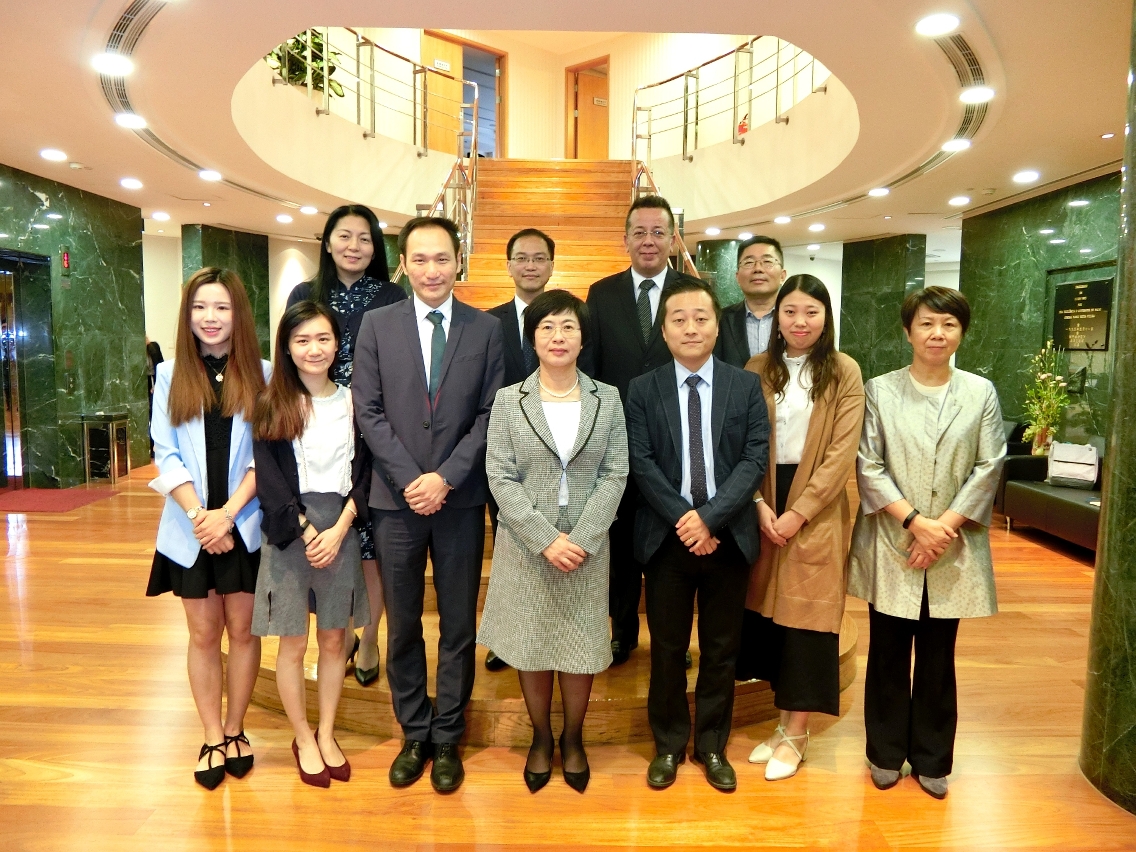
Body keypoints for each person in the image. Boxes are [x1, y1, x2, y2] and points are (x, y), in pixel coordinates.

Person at [352, 216, 505, 793]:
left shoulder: (485, 329)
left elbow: (492, 413)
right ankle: (413, 730)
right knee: (404, 624)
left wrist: (446, 477)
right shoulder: (376, 325)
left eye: (442, 258)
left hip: (460, 500)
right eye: (420, 259)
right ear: (404, 264)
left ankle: (448, 735)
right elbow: (368, 411)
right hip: (394, 501)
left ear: (457, 261)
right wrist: (414, 477)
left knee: (460, 624)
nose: (432, 270)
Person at [847, 286, 1006, 800]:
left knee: (940, 656)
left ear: (962, 331)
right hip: (893, 540)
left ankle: (934, 758)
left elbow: (990, 465)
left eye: (949, 325)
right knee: (887, 650)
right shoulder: (880, 390)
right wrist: (916, 522)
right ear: (908, 331)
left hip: (951, 545)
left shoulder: (979, 391)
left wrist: (942, 530)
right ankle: (885, 754)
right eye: (926, 324)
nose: (937, 334)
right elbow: (868, 464)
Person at [478, 290, 627, 794]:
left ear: (583, 337)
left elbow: (615, 473)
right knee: (533, 646)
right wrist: (546, 539)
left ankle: (573, 737)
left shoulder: (607, 398)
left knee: (580, 647)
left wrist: (581, 538)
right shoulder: (508, 399)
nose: (558, 336)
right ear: (532, 338)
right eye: (546, 328)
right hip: (526, 545)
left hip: (587, 545)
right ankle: (540, 736)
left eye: (568, 327)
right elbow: (499, 476)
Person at [626, 279, 769, 792]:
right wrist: (687, 520)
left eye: (701, 318)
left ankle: (711, 745)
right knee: (665, 648)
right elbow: (640, 464)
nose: (690, 327)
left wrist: (710, 517)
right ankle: (667, 744)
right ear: (664, 331)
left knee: (721, 649)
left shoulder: (745, 385)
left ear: (716, 325)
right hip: (666, 541)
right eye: (679, 319)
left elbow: (754, 458)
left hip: (728, 538)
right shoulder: (642, 389)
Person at [145, 267, 269, 790]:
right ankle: (212, 734)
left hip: (242, 523)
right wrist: (201, 518)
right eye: (200, 308)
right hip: (190, 527)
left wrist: (228, 516)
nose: (211, 318)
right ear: (187, 315)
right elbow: (165, 452)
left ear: (238, 313)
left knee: (242, 631)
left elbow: (269, 451)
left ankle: (238, 729)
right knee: (202, 633)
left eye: (221, 307)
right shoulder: (171, 374)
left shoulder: (263, 372)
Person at [737, 274, 865, 781]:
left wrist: (797, 512)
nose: (800, 322)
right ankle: (780, 724)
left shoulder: (844, 371)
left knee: (808, 621)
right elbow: (741, 442)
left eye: (811, 312)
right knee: (771, 618)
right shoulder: (756, 369)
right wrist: (758, 503)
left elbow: (840, 454)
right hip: (762, 501)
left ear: (826, 317)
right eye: (790, 312)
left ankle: (798, 732)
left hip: (816, 508)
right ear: (777, 318)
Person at [250, 301, 371, 787]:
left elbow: (365, 473)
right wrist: (304, 530)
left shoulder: (355, 401)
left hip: (340, 526)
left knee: (335, 638)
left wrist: (341, 527)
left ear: (337, 343)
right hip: (289, 529)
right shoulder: (271, 402)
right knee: (293, 640)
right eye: (302, 340)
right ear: (287, 347)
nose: (313, 349)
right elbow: (270, 478)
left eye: (323, 338)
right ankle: (301, 736)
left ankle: (326, 732)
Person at [287, 204, 405, 686]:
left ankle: (371, 633)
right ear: (328, 241)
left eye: (364, 238)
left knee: (372, 542)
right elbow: (289, 352)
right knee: (322, 536)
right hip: (315, 424)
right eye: (345, 236)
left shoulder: (392, 295)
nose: (354, 246)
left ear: (376, 247)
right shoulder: (306, 293)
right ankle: (334, 635)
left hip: (376, 427)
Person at [586, 194, 701, 666]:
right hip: (616, 439)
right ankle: (622, 630)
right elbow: (592, 368)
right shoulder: (602, 292)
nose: (649, 241)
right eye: (640, 232)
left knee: (673, 545)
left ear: (673, 239)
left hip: (677, 440)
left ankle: (670, 638)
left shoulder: (692, 292)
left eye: (659, 232)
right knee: (620, 545)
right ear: (626, 239)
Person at [483, 227, 558, 674]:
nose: (530, 265)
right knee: (511, 548)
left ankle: (550, 630)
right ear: (508, 264)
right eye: (522, 258)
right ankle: (508, 638)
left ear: (552, 264)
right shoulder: (487, 324)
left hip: (563, 457)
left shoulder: (571, 317)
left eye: (539, 258)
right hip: (507, 459)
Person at [715, 236, 787, 368]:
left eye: (767, 261)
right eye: (749, 263)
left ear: (782, 275)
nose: (758, 269)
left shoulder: (795, 319)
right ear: (737, 277)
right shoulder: (720, 320)